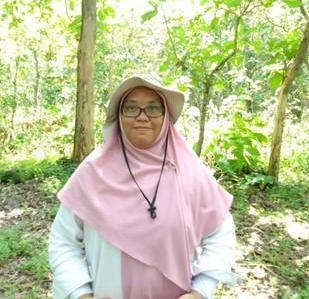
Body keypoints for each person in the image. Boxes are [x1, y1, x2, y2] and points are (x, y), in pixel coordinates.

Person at [48, 74, 238, 299]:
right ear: (119, 116)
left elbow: (220, 234)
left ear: (165, 115)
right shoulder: (92, 171)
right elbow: (63, 241)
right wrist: (81, 293)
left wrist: (201, 291)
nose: (142, 117)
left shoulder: (189, 170)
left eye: (153, 108)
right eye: (131, 108)